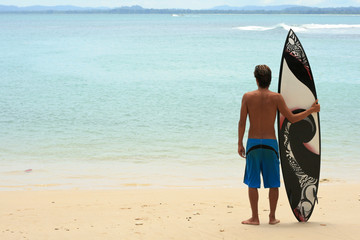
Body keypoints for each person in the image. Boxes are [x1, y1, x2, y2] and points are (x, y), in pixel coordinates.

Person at [238, 65, 320, 225]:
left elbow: (242, 122)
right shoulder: (276, 98)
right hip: (271, 144)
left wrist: (240, 143)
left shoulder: (247, 97)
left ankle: (254, 218)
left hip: (253, 143)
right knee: (273, 183)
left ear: (256, 79)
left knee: (253, 182)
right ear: (270, 80)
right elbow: (292, 118)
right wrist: (311, 110)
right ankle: (272, 217)